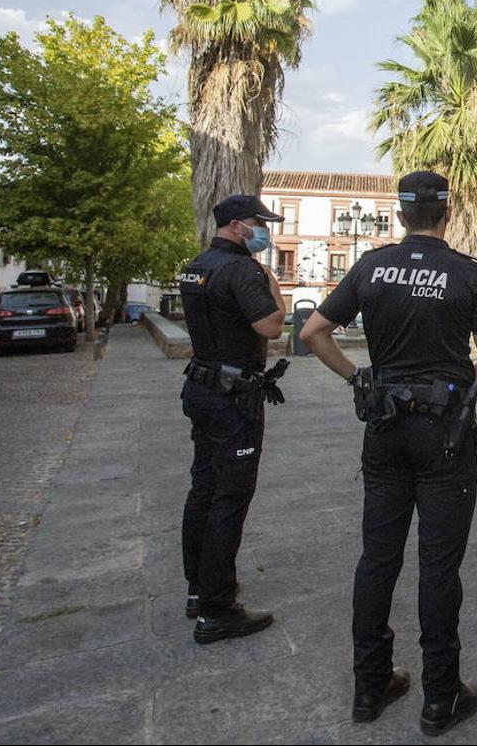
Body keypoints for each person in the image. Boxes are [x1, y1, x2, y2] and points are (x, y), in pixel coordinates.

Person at [300, 171, 477, 735]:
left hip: (384, 428)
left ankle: (370, 685)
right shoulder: (467, 275)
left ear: (400, 214)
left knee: (378, 557)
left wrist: (358, 380)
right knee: (439, 565)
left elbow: (313, 332)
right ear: (447, 212)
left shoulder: (370, 267)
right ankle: (441, 698)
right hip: (444, 436)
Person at [178, 194, 287, 643]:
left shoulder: (195, 265)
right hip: (232, 396)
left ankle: (198, 590)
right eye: (260, 223)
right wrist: (272, 283)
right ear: (238, 226)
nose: (265, 231)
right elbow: (272, 326)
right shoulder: (243, 270)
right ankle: (218, 608)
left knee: (203, 486)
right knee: (230, 496)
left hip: (201, 384)